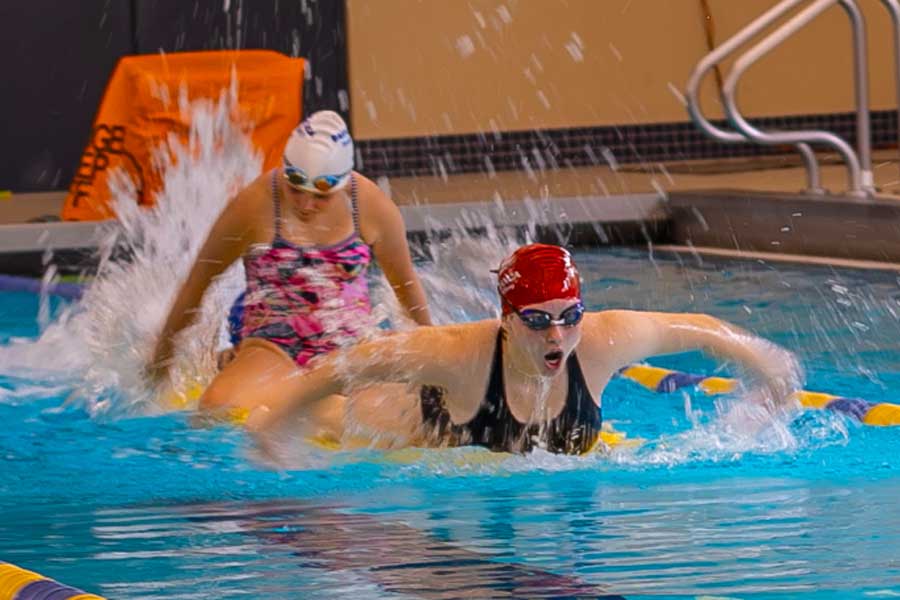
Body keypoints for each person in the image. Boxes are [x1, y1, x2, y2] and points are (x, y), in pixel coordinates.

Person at [246, 243, 803, 456]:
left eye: (568, 319)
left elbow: (700, 328)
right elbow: (354, 364)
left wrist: (767, 362)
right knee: (331, 414)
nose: (557, 337)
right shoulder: (458, 353)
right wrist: (273, 425)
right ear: (506, 319)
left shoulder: (605, 340)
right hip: (399, 426)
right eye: (538, 322)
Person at [148, 110, 432, 413]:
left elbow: (406, 288)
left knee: (400, 414)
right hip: (273, 347)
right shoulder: (255, 205)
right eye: (295, 188)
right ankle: (241, 366)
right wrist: (157, 371)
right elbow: (198, 283)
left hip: (348, 347)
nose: (305, 204)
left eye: (321, 195)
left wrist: (432, 366)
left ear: (343, 181)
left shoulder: (370, 206)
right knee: (215, 410)